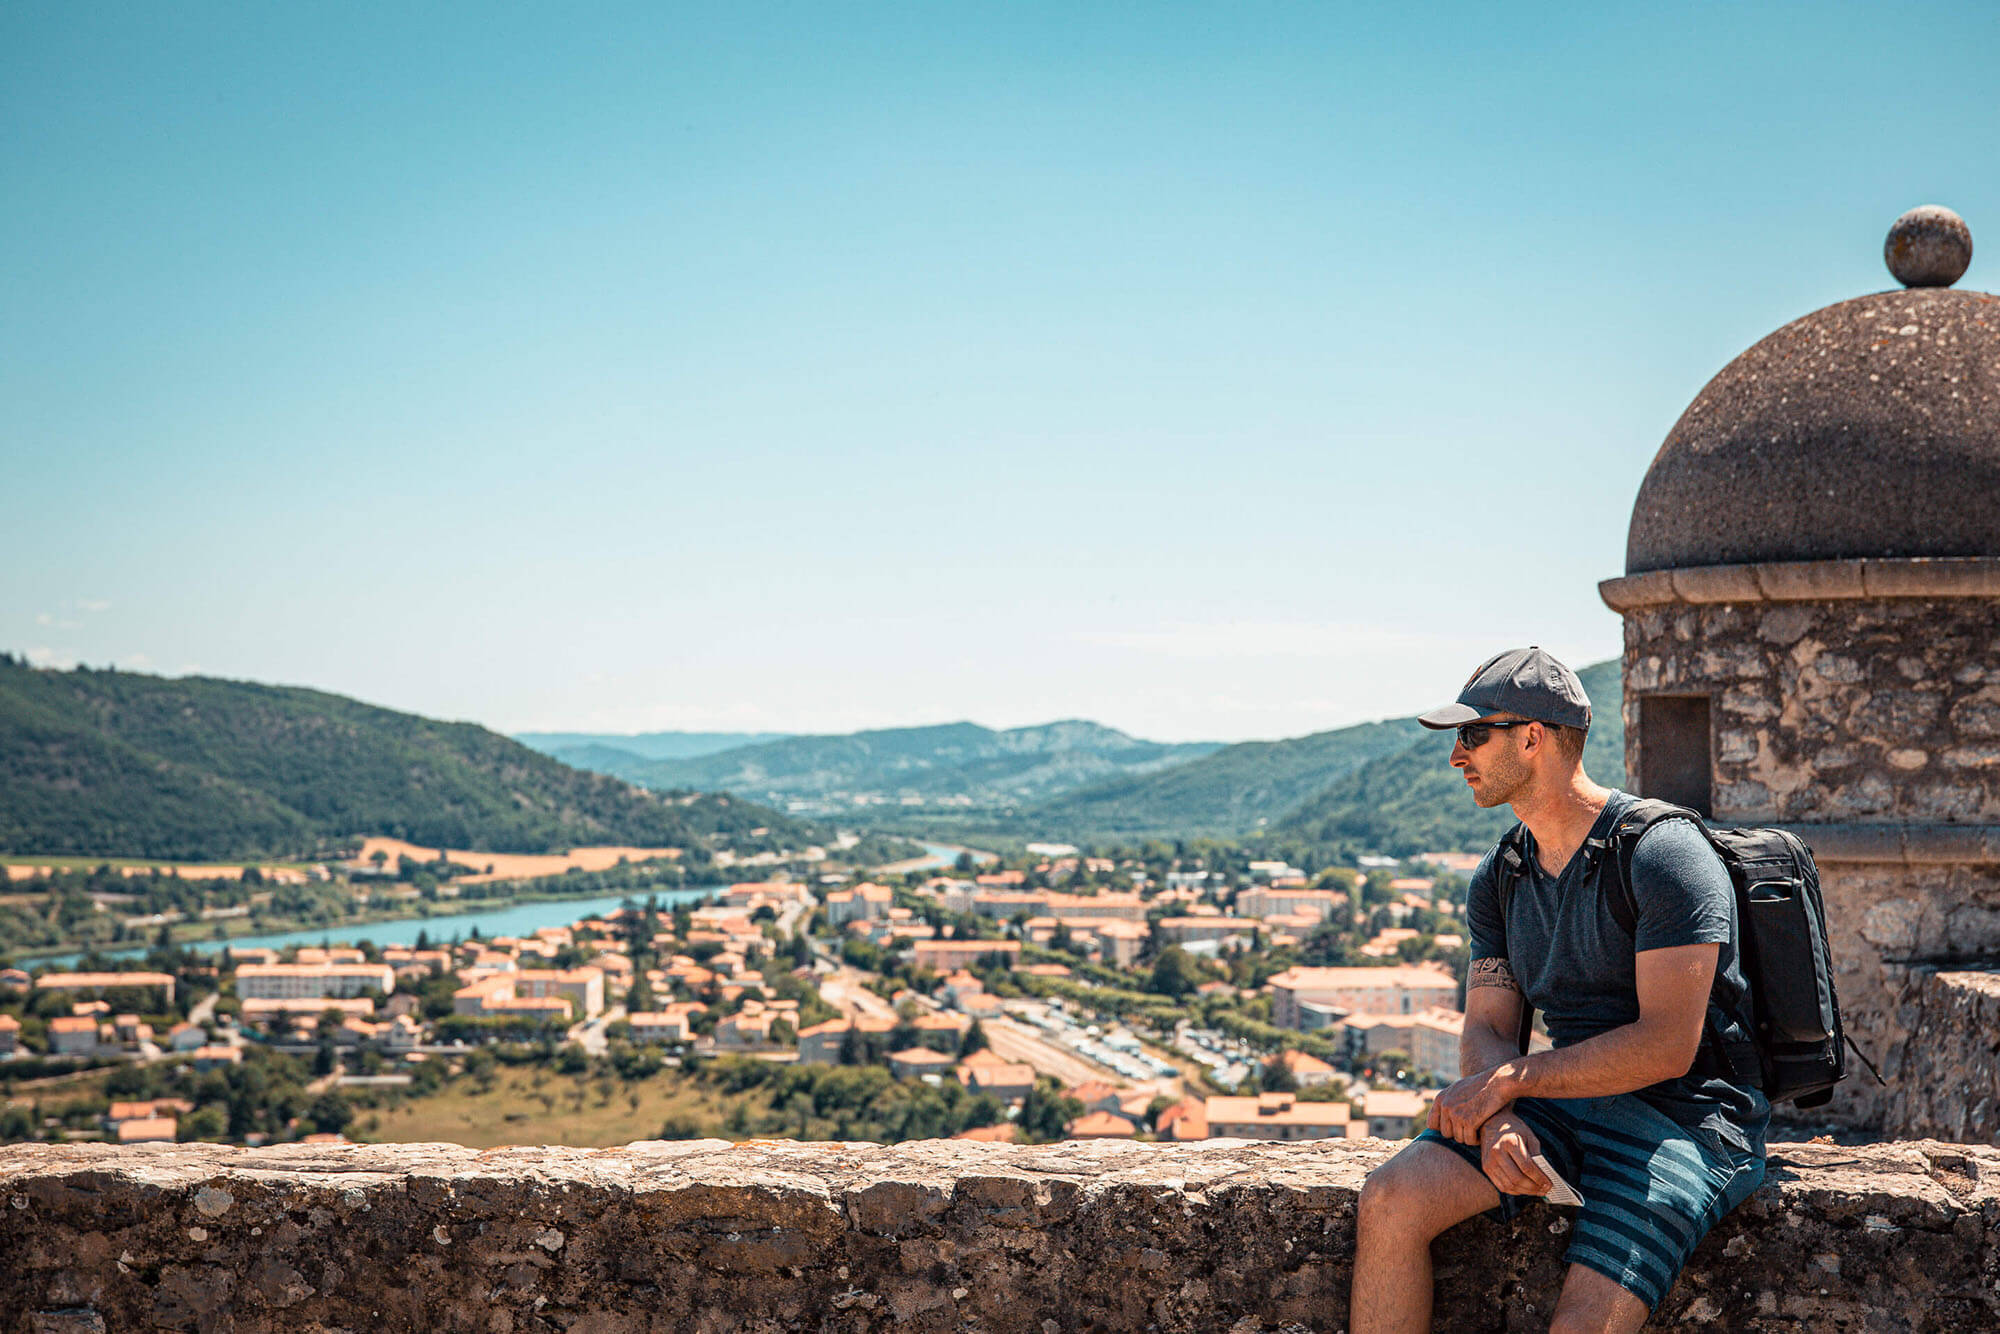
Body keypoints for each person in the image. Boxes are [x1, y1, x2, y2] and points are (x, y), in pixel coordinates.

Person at [1348, 647, 1767, 1334]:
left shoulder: (1663, 856)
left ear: (1532, 738)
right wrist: (1499, 1115)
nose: (1457, 756)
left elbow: (1667, 1045)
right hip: (1567, 1105)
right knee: (1391, 1199)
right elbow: (1487, 1025)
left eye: (1473, 735)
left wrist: (1510, 1084)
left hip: (1684, 1123)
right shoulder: (1502, 876)